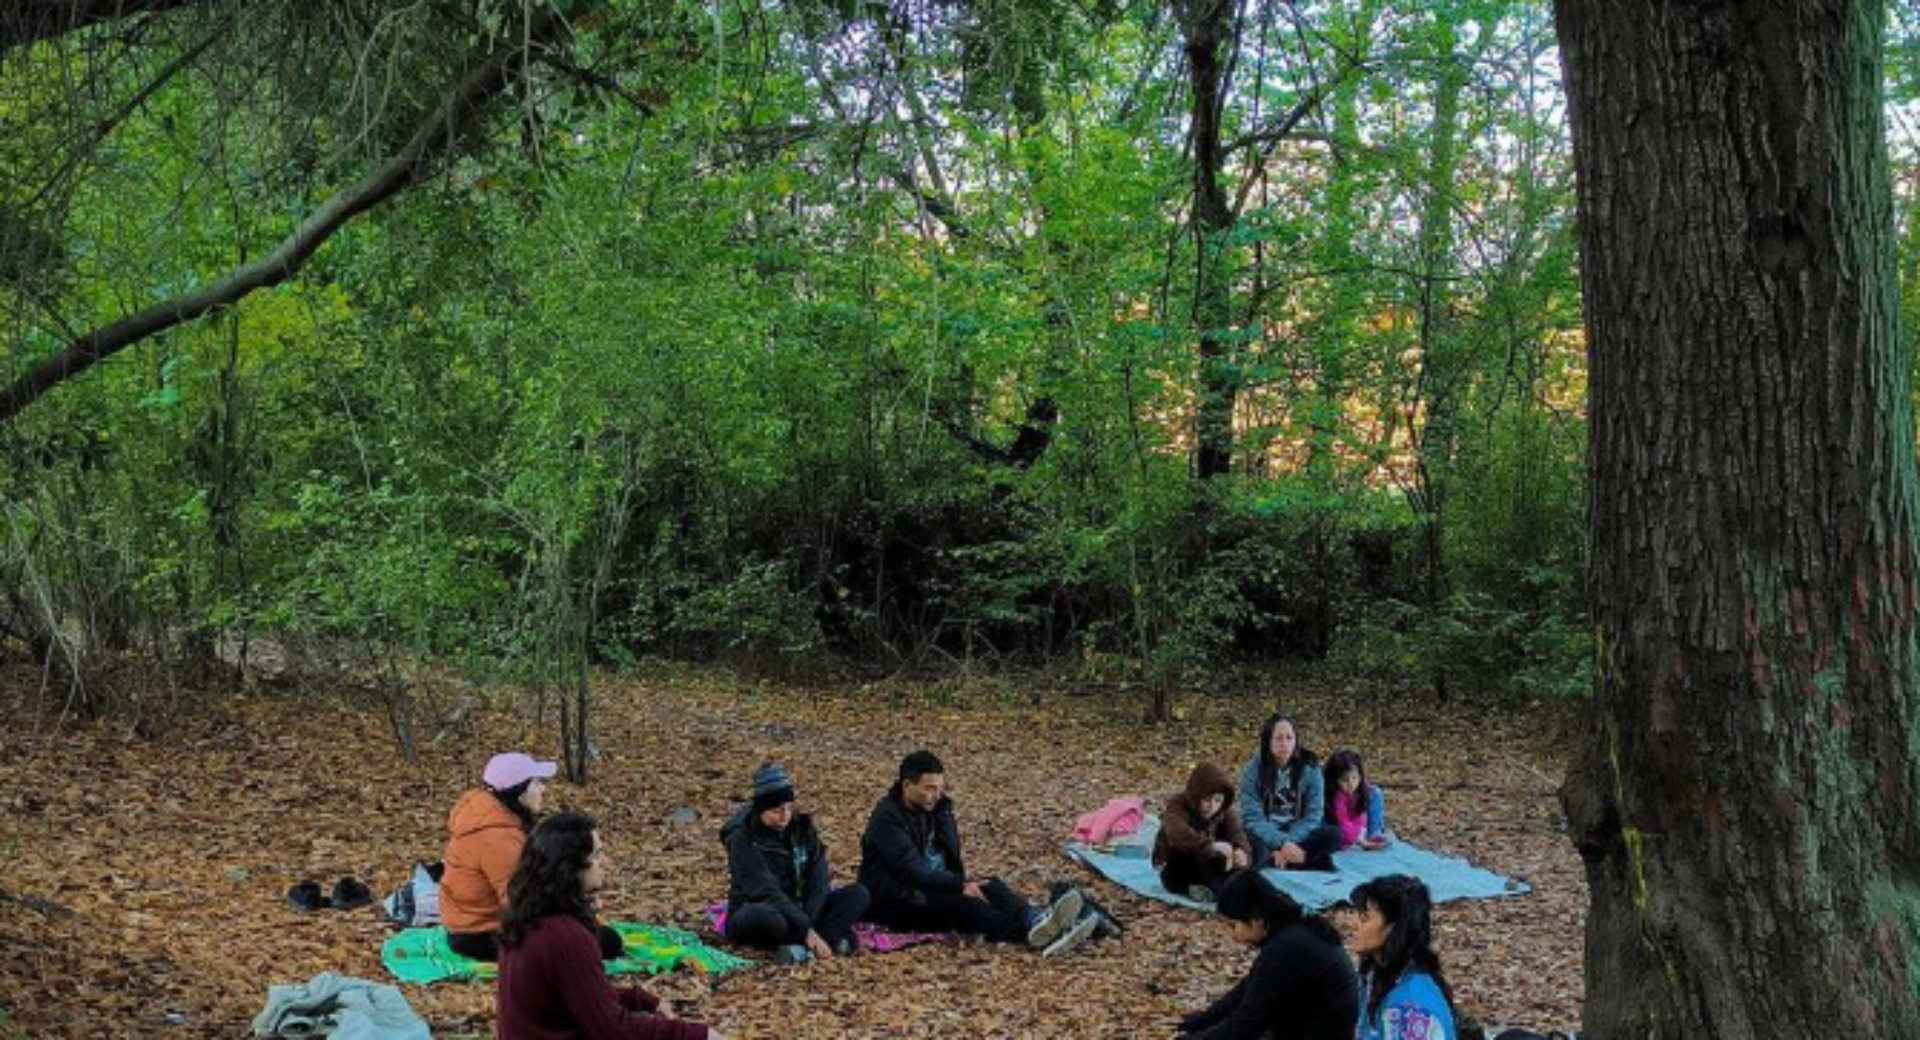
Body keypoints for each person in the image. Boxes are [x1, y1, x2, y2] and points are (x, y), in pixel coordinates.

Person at [496, 813, 725, 1040]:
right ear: (570, 866)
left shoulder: (527, 917)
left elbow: (581, 994)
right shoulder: (566, 937)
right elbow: (613, 1030)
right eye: (596, 855)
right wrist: (699, 1035)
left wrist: (640, 999)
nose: (604, 863)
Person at [857, 749, 1095, 956]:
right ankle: (1033, 934)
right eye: (929, 788)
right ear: (907, 785)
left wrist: (963, 883)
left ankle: (1034, 919)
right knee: (969, 908)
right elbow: (912, 870)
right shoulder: (886, 820)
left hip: (932, 884)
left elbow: (949, 859)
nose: (937, 795)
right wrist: (958, 886)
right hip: (899, 898)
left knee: (991, 885)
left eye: (940, 788)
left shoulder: (939, 808)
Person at [1171, 870, 1359, 1040]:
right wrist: (1200, 1021)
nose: (1232, 934)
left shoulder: (1287, 947)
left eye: (1234, 925)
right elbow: (1246, 991)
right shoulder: (1292, 933)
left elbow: (1247, 1022)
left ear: (1256, 920)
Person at [719, 763, 871, 963]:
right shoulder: (743, 839)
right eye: (776, 811)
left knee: (858, 894)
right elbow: (765, 890)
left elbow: (819, 879)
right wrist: (806, 929)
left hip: (801, 908)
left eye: (788, 809)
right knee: (769, 920)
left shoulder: (802, 828)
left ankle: (801, 948)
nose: (784, 817)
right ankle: (827, 940)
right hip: (761, 907)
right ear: (760, 810)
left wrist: (808, 923)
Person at [1349, 875, 1457, 1040]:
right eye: (1356, 914)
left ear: (1394, 928)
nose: (1352, 923)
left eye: (1365, 918)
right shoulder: (1376, 973)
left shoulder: (1412, 1007)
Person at [1236, 713, 1341, 871]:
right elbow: (1253, 819)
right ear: (1268, 741)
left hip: (1297, 831)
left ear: (1296, 740)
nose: (1284, 744)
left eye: (1289, 737)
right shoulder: (1252, 770)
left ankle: (1279, 859)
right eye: (1278, 738)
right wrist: (1281, 842)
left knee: (1333, 835)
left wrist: (1289, 842)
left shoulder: (1311, 768)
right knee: (1250, 844)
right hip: (1264, 831)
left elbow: (1314, 814)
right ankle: (1303, 860)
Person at [1151, 761, 1250, 902]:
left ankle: (1221, 887)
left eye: (1217, 800)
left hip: (1209, 860)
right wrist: (1211, 846)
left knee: (1253, 848)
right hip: (1177, 862)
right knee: (1188, 858)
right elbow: (1177, 834)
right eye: (1207, 799)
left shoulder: (1225, 809)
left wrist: (1241, 851)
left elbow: (1237, 833)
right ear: (1197, 794)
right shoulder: (1177, 804)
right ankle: (1197, 888)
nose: (1212, 806)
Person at [1323, 749, 1390, 851]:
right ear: (1334, 780)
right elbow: (1343, 821)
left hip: (1359, 823)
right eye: (1344, 780)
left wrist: (1364, 833)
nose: (1351, 784)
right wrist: (1360, 840)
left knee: (1375, 792)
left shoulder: (1363, 791)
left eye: (1355, 778)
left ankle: (1373, 832)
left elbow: (1361, 815)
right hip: (1339, 826)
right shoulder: (1335, 797)